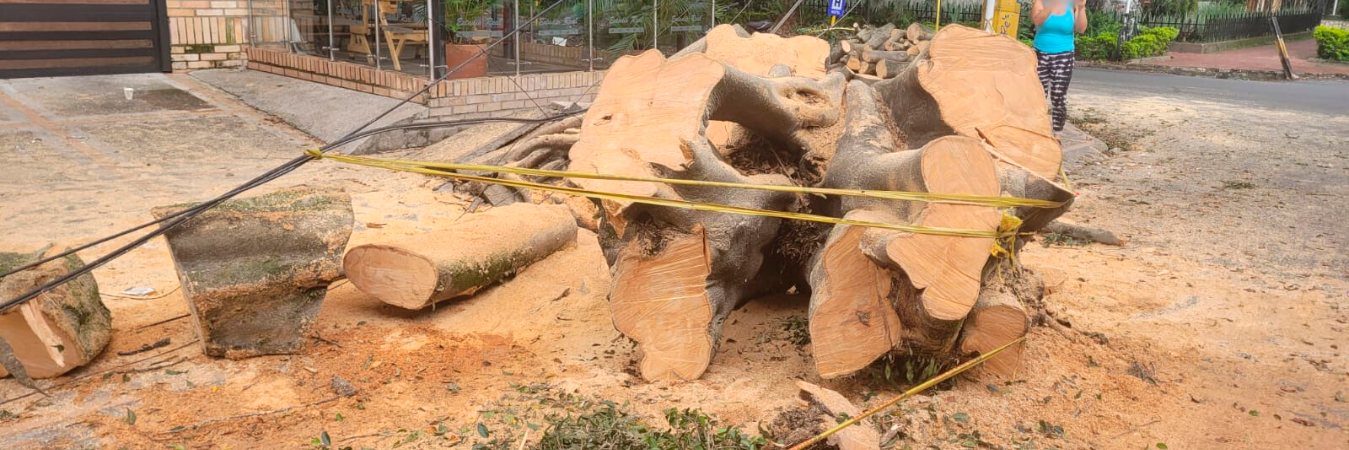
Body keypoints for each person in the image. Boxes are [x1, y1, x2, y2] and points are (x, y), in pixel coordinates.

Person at [1031, 0, 1088, 136]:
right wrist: (1052, 5)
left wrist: (1081, 8)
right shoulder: (1041, 2)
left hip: (1064, 54)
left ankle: (1057, 133)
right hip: (1040, 53)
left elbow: (1081, 29)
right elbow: (1037, 21)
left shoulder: (1073, 4)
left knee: (1058, 96)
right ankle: (1038, 131)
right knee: (1038, 95)